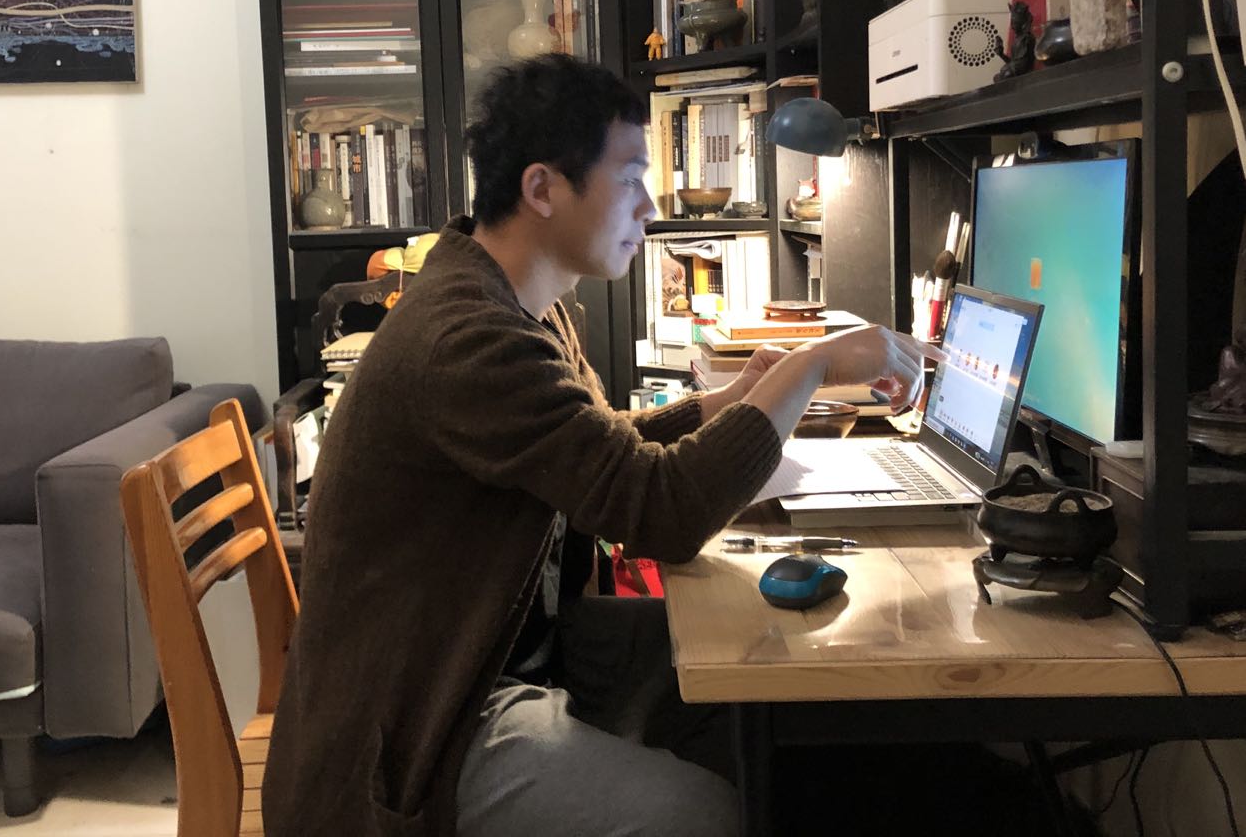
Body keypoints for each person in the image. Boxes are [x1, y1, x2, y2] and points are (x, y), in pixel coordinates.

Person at [262, 54, 939, 837]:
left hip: (500, 651)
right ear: (542, 189)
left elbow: (597, 452)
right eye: (629, 178)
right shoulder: (470, 337)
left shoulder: (521, 302)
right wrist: (809, 364)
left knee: (760, 675)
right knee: (698, 815)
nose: (649, 206)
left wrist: (724, 403)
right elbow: (659, 512)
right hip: (424, 724)